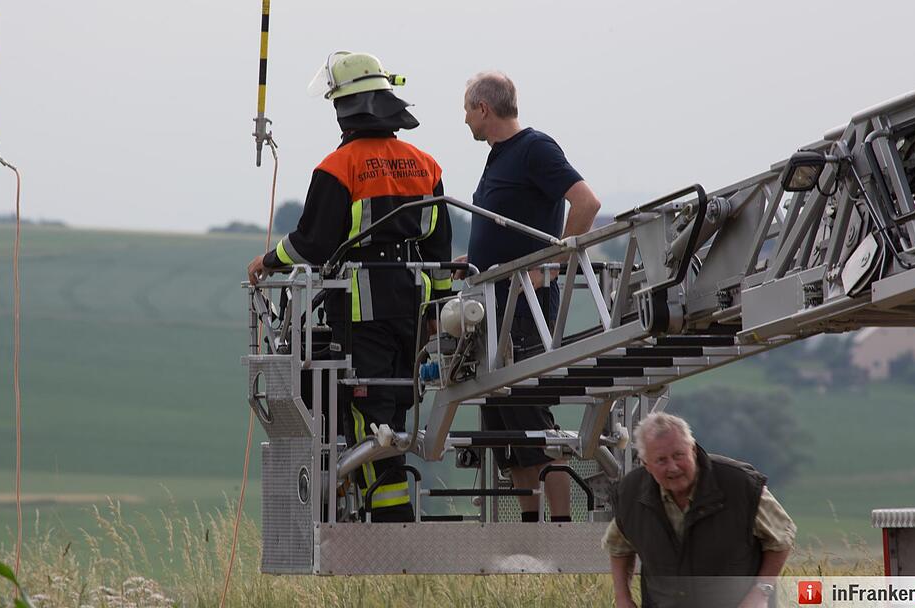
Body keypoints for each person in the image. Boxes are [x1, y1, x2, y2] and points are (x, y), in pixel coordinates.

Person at [248, 51, 452, 522]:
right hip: (413, 310)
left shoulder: (339, 166)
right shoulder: (427, 165)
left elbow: (313, 244)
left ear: (344, 107)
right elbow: (441, 254)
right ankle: (391, 517)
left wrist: (268, 261)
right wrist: (437, 312)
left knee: (369, 419)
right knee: (397, 413)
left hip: (362, 313)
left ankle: (390, 525)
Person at [458, 71, 601, 522]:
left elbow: (586, 203)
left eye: (466, 110)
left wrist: (554, 264)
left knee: (534, 425)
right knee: (507, 432)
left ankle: (556, 531)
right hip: (496, 306)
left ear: (484, 108)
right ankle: (530, 535)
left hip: (526, 310)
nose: (464, 121)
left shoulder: (534, 147)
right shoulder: (500, 156)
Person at [603, 412, 796, 607]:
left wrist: (761, 592)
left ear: (693, 450)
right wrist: (623, 598)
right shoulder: (631, 494)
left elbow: (782, 538)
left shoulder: (740, 485)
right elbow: (618, 547)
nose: (673, 467)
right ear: (646, 465)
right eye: (661, 460)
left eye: (679, 455)